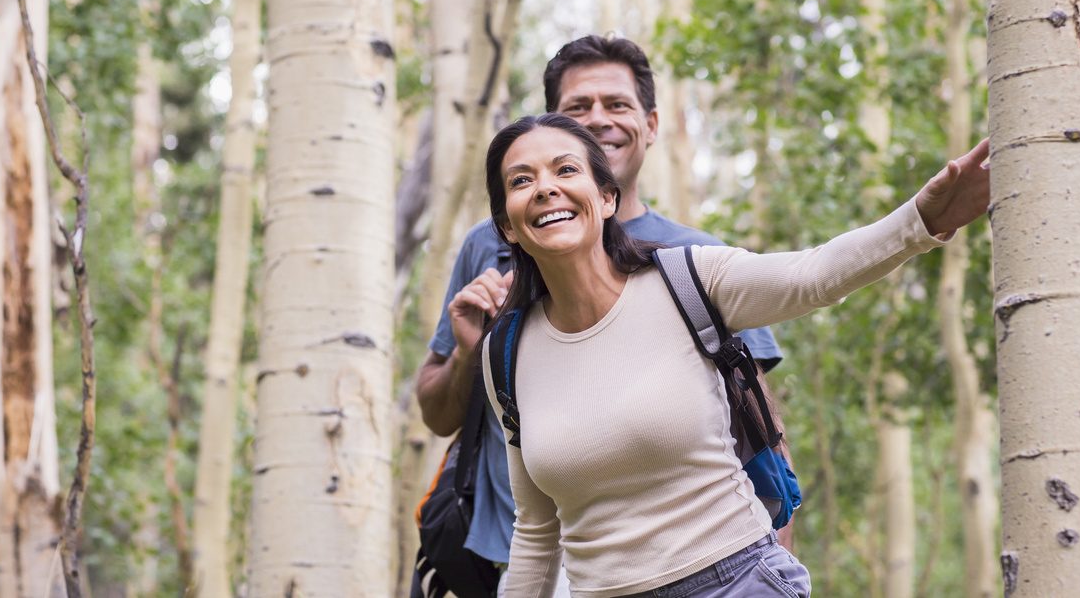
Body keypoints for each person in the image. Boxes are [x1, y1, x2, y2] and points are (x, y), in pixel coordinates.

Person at [475, 113, 989, 597]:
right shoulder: (505, 351)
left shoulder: (688, 279)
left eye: (566, 170)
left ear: (607, 198)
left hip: (735, 582)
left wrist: (922, 219)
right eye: (521, 181)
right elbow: (538, 531)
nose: (545, 188)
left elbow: (813, 276)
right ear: (508, 227)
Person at [415, 36, 784, 594]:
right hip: (508, 555)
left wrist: (774, 563)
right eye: (578, 110)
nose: (599, 122)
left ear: (652, 124)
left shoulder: (694, 262)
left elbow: (761, 430)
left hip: (675, 565)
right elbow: (438, 414)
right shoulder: (491, 246)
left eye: (617, 105)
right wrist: (473, 351)